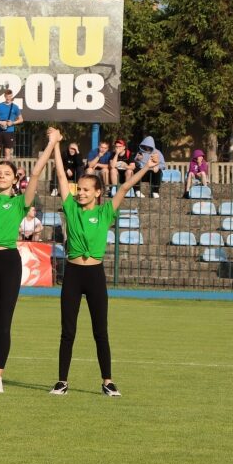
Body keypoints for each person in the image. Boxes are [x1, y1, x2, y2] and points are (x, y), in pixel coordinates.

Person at [49, 137, 159, 397]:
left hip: (95, 275)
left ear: (98, 192)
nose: (81, 192)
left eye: (87, 190)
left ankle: (107, 381)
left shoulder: (105, 212)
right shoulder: (71, 209)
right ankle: (62, 381)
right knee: (68, 331)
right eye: (80, 189)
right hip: (73, 274)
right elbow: (62, 179)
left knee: (101, 331)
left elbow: (124, 187)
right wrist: (55, 145)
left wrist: (145, 168)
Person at [0, 116, 58, 393]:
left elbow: (37, 172)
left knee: (4, 320)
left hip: (8, 261)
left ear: (14, 178)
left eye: (6, 174)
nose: (1, 176)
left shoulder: (20, 202)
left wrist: (52, 144)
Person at [0, 89, 22, 160]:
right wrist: (0, 122)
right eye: (7, 96)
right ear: (4, 96)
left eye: (9, 96)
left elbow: (21, 119)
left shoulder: (15, 107)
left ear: (12, 96)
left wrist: (12, 122)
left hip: (9, 131)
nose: (8, 98)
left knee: (7, 152)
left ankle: (6, 170)